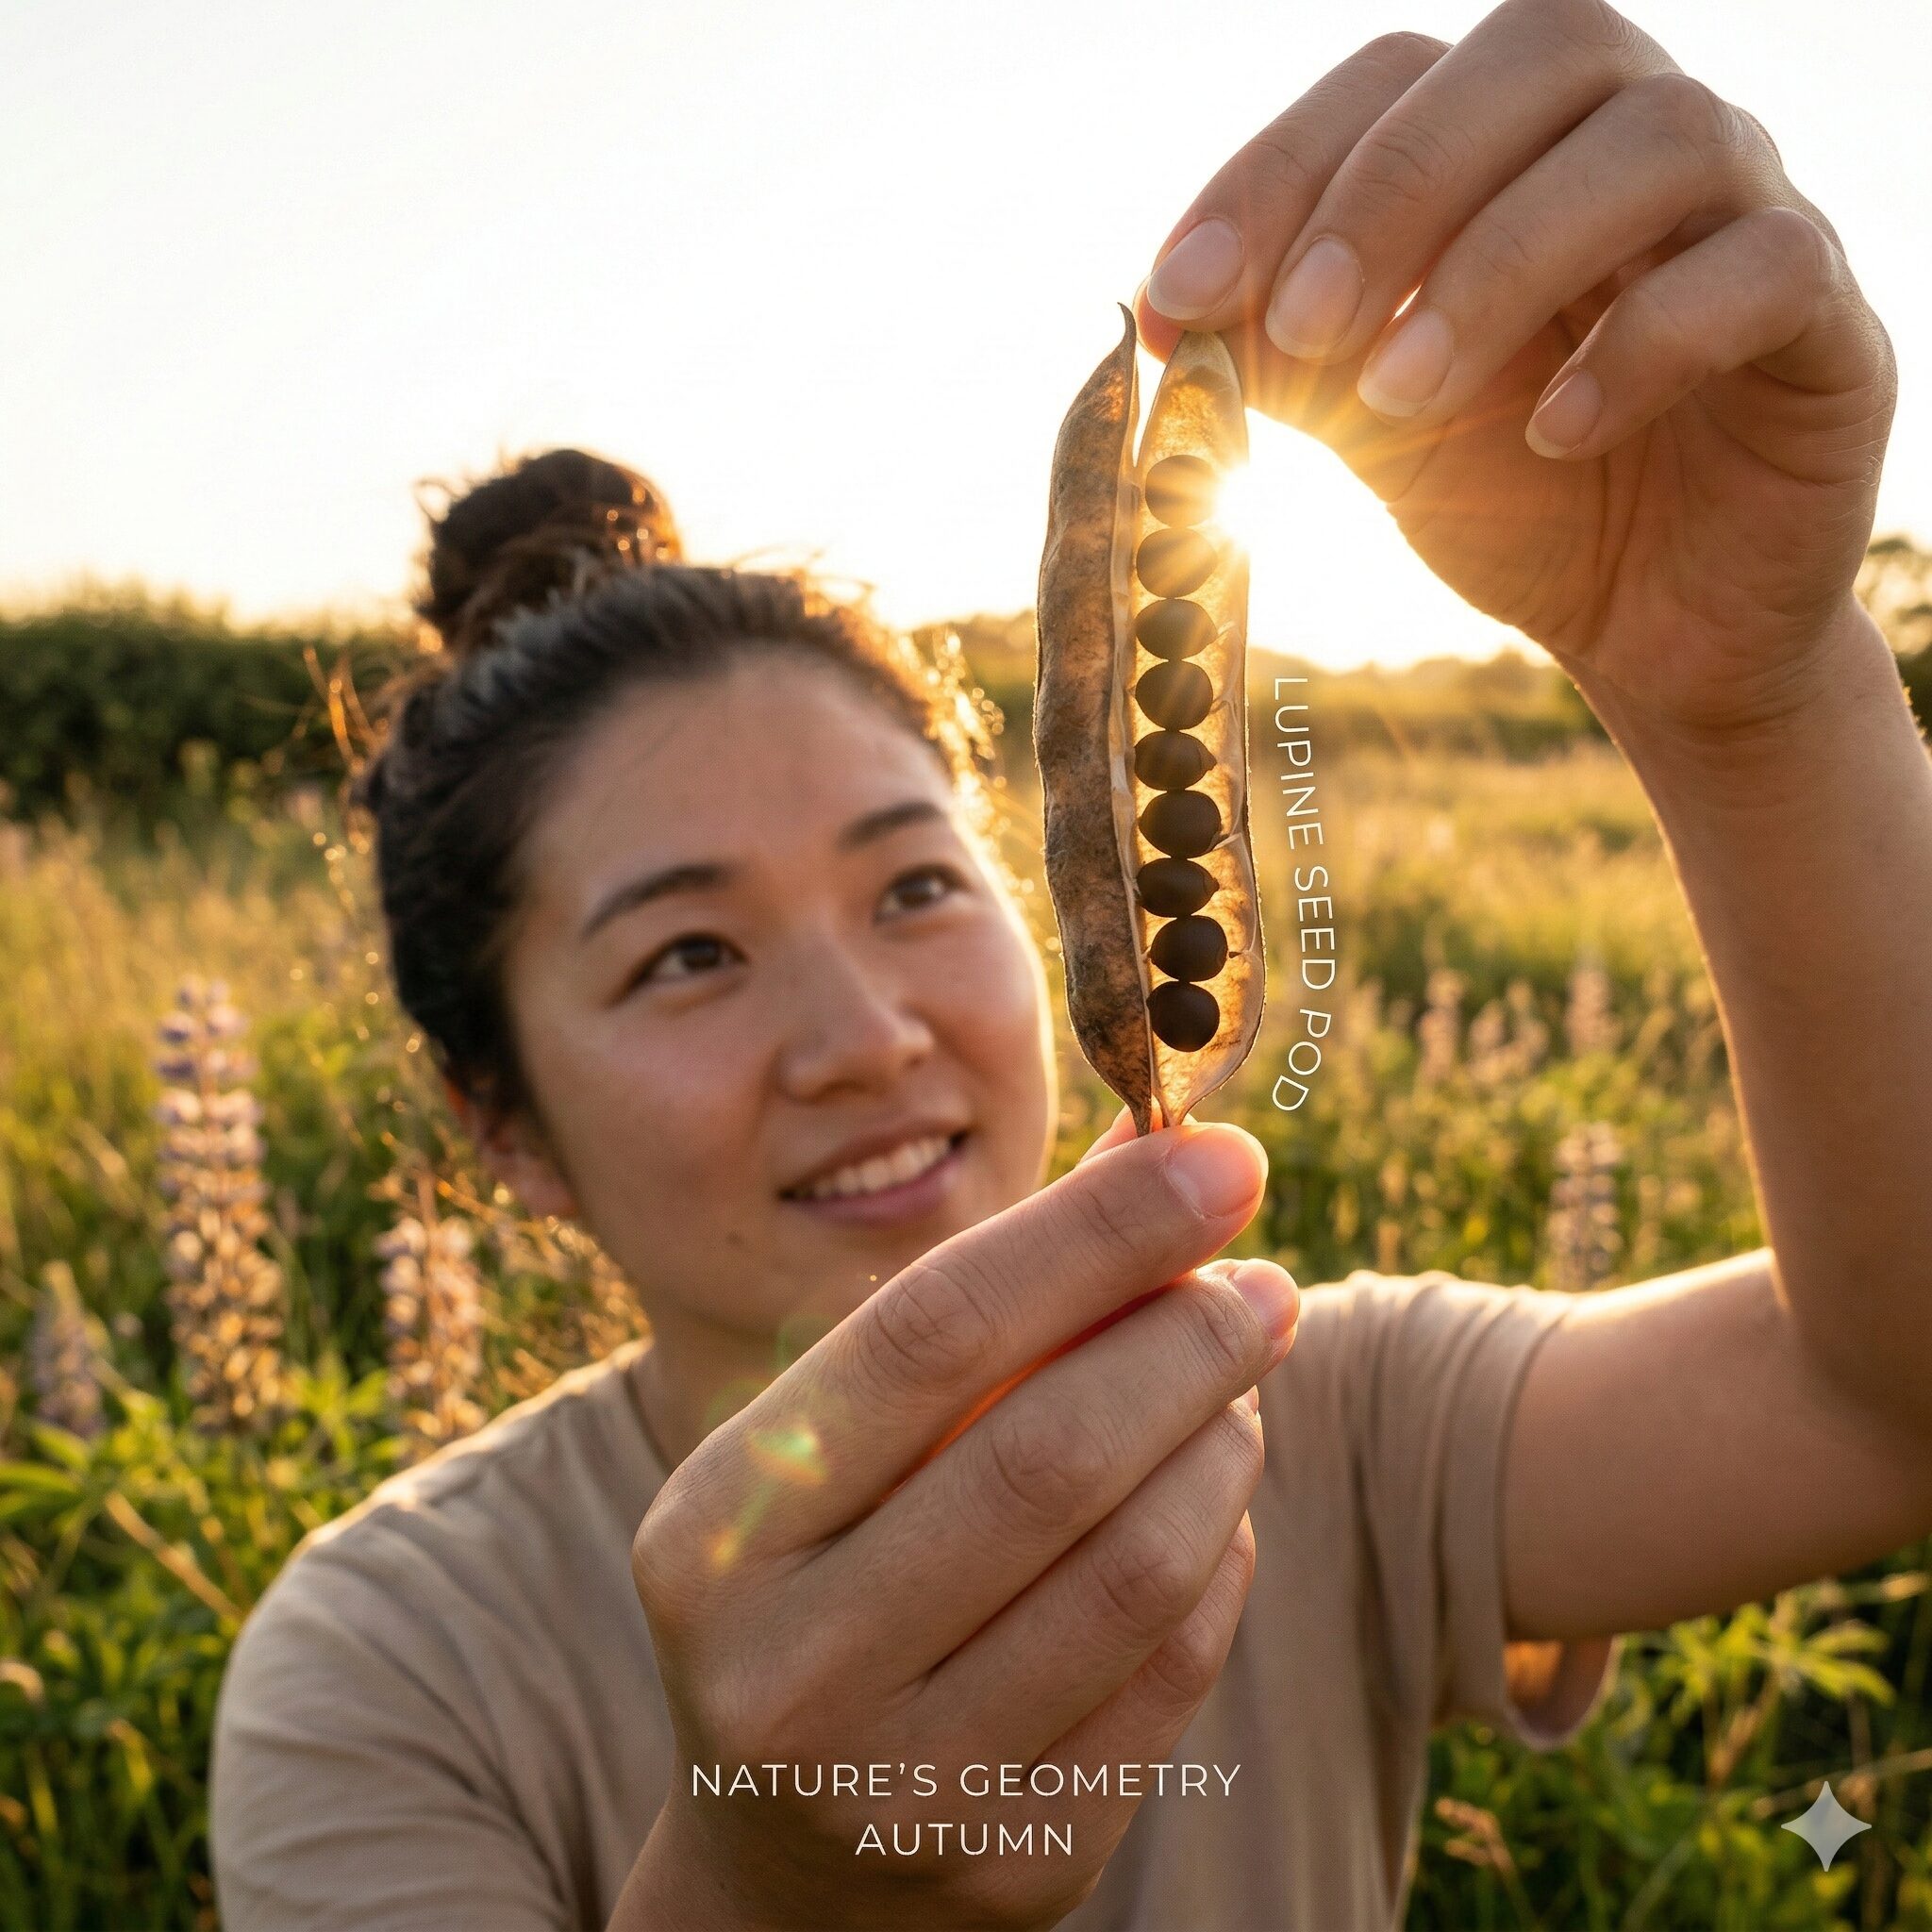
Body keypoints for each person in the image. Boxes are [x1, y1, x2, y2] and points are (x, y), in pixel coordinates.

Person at [210, 5, 1932, 1928]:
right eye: (688, 952)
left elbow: (1890, 1404)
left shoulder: (1321, 1407)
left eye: (913, 887)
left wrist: (1756, 694)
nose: (867, 1035)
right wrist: (774, 1887)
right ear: (500, 1123)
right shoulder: (389, 1671)